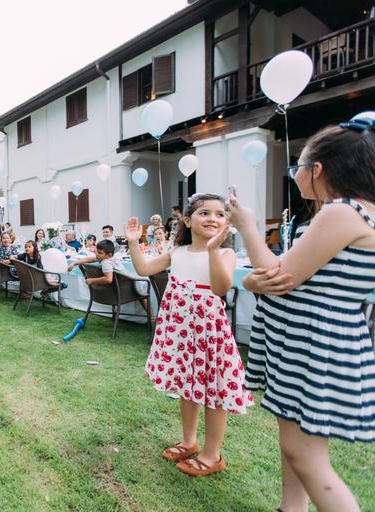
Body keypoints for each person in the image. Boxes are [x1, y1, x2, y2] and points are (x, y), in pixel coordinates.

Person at [229, 116, 375, 511]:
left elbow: (278, 276)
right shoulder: (357, 212)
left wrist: (246, 227)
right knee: (294, 441)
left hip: (314, 342)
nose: (295, 176)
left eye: (297, 168)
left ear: (318, 170)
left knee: (306, 453)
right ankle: (290, 508)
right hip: (310, 339)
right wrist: (256, 282)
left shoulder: (341, 212)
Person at [124, 193, 253, 477]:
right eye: (204, 213)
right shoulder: (177, 252)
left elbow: (220, 288)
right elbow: (143, 268)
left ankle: (212, 454)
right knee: (187, 386)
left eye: (220, 214)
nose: (212, 218)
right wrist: (134, 242)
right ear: (187, 220)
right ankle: (189, 441)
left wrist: (211, 250)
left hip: (209, 335)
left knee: (214, 392)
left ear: (226, 222)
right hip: (181, 333)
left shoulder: (225, 254)